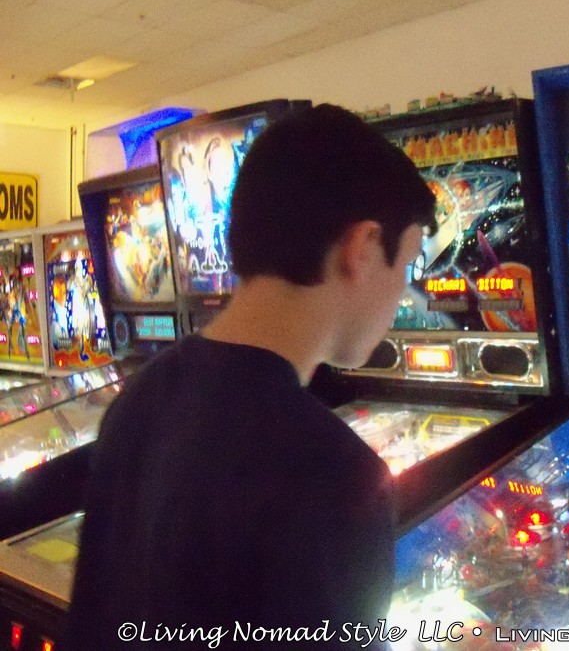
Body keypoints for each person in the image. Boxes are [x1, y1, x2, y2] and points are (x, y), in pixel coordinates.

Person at [65, 104, 437, 649]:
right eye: (406, 265)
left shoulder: (141, 398)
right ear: (361, 249)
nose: (404, 293)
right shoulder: (335, 475)